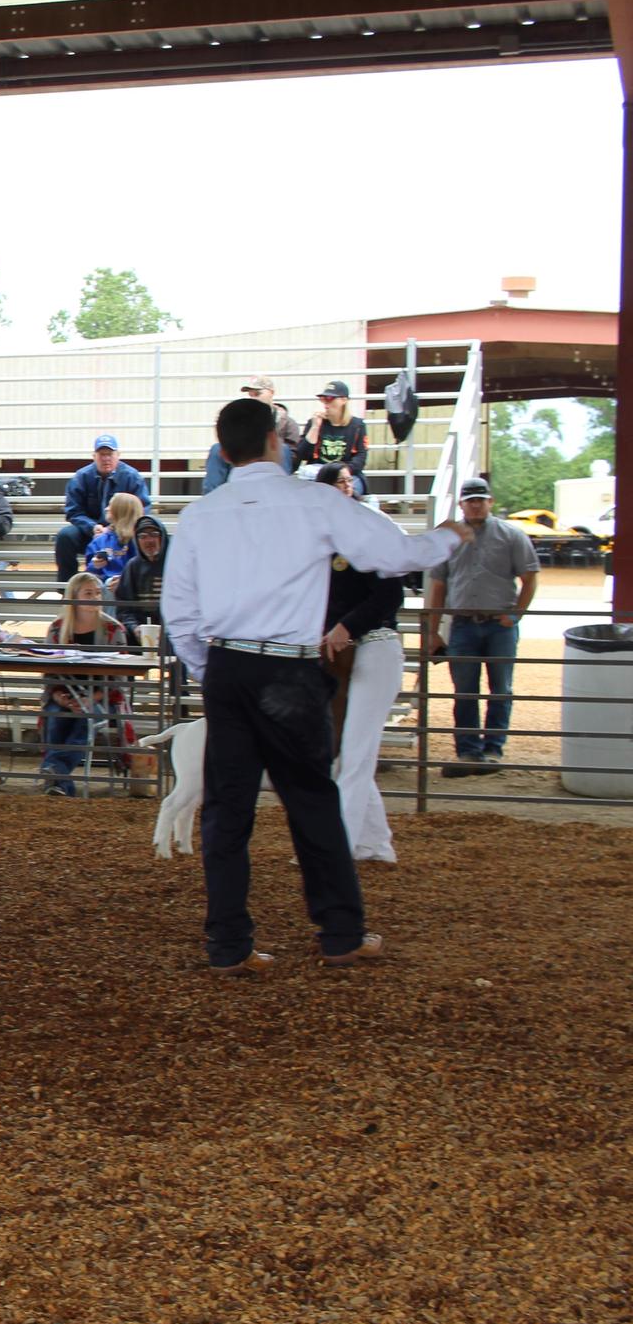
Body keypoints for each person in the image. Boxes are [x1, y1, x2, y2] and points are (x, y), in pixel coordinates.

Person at [162, 397, 470, 975]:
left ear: (223, 451)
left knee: (226, 812)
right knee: (311, 800)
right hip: (289, 669)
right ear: (277, 443)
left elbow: (178, 611)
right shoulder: (314, 501)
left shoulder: (201, 515)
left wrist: (215, 673)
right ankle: (340, 933)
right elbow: (393, 553)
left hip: (228, 665)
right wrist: (448, 536)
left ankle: (228, 945)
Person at [316, 464, 409, 863]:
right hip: (339, 655)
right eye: (337, 483)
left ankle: (338, 846)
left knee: (354, 751)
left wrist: (345, 626)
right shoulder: (319, 542)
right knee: (349, 750)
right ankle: (375, 843)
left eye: (347, 483)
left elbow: (390, 596)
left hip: (376, 645)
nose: (345, 489)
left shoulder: (370, 531)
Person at [421, 476, 540, 776]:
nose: (475, 505)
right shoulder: (449, 539)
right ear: (461, 504)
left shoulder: (511, 535)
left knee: (500, 688)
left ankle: (493, 749)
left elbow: (530, 576)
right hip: (462, 623)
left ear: (490, 502)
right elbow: (438, 585)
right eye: (470, 500)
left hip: (499, 623)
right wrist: (433, 630)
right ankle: (469, 752)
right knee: (464, 690)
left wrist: (516, 615)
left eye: (480, 499)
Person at [36, 573, 134, 797]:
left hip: (103, 697)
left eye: (98, 592)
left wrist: (94, 698)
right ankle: (61, 783)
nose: (95, 597)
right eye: (88, 593)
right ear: (74, 597)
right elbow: (49, 669)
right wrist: (59, 697)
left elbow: (119, 677)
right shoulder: (57, 628)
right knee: (55, 716)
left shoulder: (113, 630)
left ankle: (55, 773)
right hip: (64, 694)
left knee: (85, 719)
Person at [55, 434, 151, 581]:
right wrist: (93, 527)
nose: (106, 458)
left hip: (123, 533)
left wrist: (116, 528)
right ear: (94, 456)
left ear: (118, 455)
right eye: (101, 454)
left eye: (110, 454)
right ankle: (68, 588)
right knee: (65, 536)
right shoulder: (81, 477)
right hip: (90, 532)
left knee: (140, 536)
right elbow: (73, 511)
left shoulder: (132, 477)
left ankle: (133, 583)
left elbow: (142, 509)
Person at [298, 381, 368, 494]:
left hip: (346, 475)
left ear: (344, 400)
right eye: (323, 399)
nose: (326, 403)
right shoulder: (314, 423)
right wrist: (315, 428)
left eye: (330, 399)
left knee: (350, 490)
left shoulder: (357, 425)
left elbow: (361, 458)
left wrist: (340, 472)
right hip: (318, 475)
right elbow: (302, 455)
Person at [112, 515, 171, 633]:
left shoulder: (176, 564)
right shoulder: (132, 567)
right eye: (142, 536)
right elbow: (124, 609)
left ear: (162, 537)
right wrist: (134, 628)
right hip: (141, 634)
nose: (149, 540)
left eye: (154, 534)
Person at [83, 492, 146, 585]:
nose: (106, 509)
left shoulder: (138, 539)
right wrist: (95, 565)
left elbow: (141, 569)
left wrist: (122, 581)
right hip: (102, 587)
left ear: (121, 510)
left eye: (110, 505)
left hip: (129, 586)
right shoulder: (100, 539)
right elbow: (90, 572)